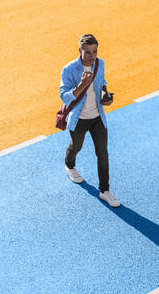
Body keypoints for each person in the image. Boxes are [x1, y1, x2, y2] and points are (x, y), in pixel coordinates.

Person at [59, 34, 120, 208]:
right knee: (76, 146)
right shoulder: (69, 70)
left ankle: (105, 191)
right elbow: (64, 96)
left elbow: (102, 82)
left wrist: (105, 96)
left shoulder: (100, 64)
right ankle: (69, 165)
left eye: (95, 51)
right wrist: (80, 86)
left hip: (97, 117)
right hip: (79, 119)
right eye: (88, 52)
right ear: (80, 51)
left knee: (103, 154)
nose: (92, 56)